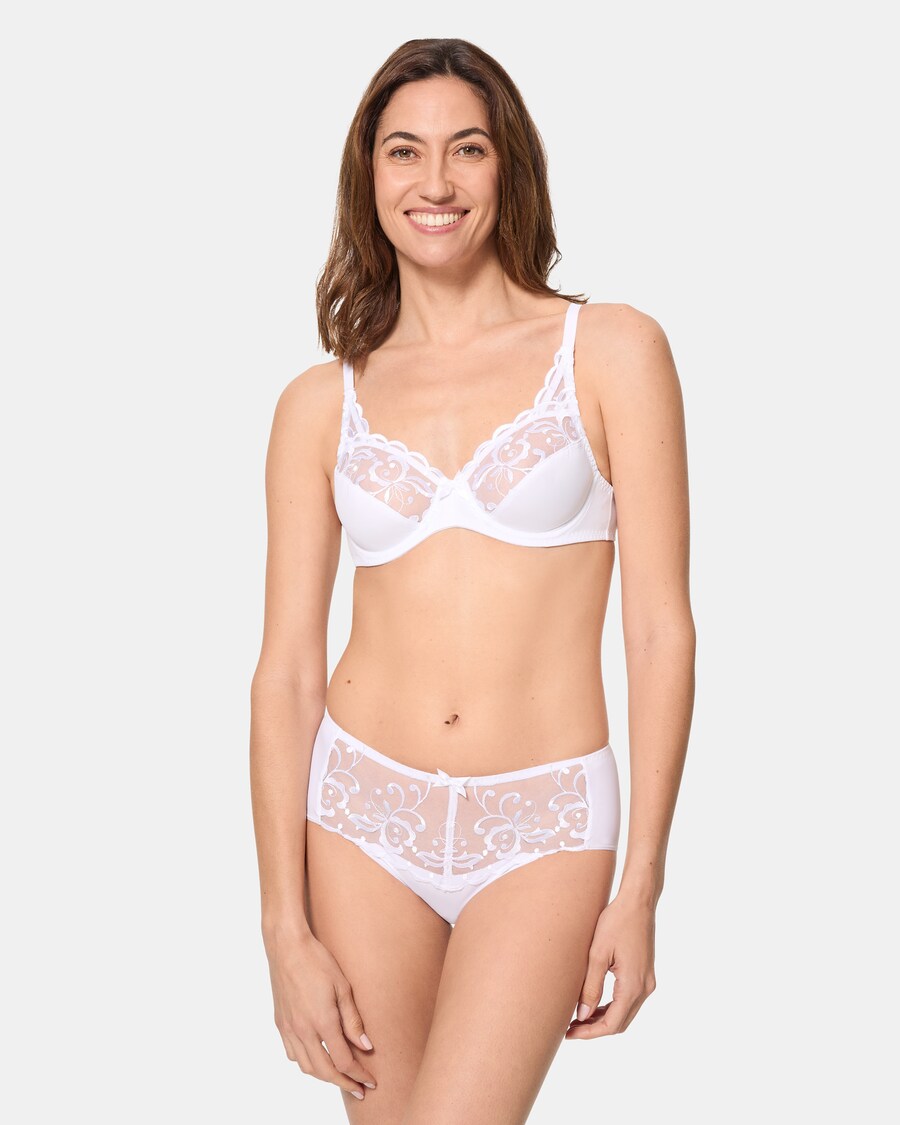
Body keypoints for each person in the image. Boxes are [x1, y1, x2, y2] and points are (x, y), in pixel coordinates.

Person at [250, 37, 695, 1125]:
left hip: (543, 823)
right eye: (404, 152)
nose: (435, 181)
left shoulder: (611, 351)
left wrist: (642, 882)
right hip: (359, 815)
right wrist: (282, 928)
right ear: (369, 178)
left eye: (468, 149)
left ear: (510, 168)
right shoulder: (319, 403)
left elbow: (658, 632)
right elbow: (287, 673)